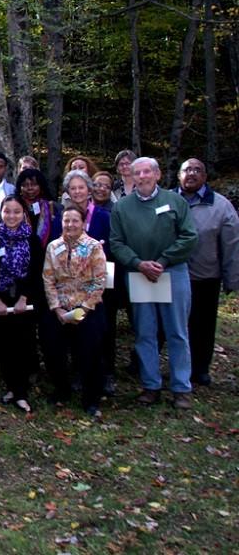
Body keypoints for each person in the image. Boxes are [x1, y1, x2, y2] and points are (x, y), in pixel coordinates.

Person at [110, 157, 197, 409]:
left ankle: (181, 387)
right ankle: (151, 385)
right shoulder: (122, 207)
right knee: (145, 332)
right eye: (137, 173)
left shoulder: (175, 201)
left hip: (172, 271)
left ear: (157, 175)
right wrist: (138, 263)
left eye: (147, 172)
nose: (142, 177)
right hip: (139, 274)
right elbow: (116, 242)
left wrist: (164, 260)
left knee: (177, 332)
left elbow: (189, 236)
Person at [176, 158, 238, 387]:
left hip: (204, 276)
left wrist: (232, 279)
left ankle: (200, 368)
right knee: (172, 325)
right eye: (186, 170)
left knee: (202, 325)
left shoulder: (221, 206)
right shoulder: (167, 200)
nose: (191, 174)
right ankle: (175, 366)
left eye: (197, 170)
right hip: (170, 274)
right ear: (178, 175)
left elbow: (232, 244)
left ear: (204, 176)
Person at [42, 205, 108, 417]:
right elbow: (48, 278)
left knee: (90, 354)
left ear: (83, 223)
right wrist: (56, 308)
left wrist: (84, 309)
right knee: (53, 351)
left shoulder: (93, 247)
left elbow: (100, 281)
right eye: (66, 221)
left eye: (75, 221)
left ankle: (91, 398)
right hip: (59, 310)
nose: (70, 225)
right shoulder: (53, 246)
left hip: (87, 309)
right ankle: (62, 390)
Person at [56, 170, 116, 393]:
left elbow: (112, 247)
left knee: (101, 331)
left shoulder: (103, 216)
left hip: (97, 289)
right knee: (75, 329)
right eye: (73, 188)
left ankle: (105, 374)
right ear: (68, 192)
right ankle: (78, 373)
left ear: (89, 190)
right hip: (70, 290)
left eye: (81, 187)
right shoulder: (62, 217)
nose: (78, 192)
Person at [0, 196, 44, 413]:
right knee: (6, 345)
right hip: (0, 301)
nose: (11, 216)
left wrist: (24, 298)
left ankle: (21, 392)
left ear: (24, 214)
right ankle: (11, 387)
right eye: (7, 211)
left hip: (24, 301)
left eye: (16, 212)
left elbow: (36, 273)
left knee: (24, 345)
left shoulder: (33, 241)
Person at [16, 167, 58, 249]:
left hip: (46, 250)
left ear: (41, 186)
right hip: (21, 250)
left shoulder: (51, 206)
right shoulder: (15, 205)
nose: (30, 188)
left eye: (34, 184)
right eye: (25, 185)